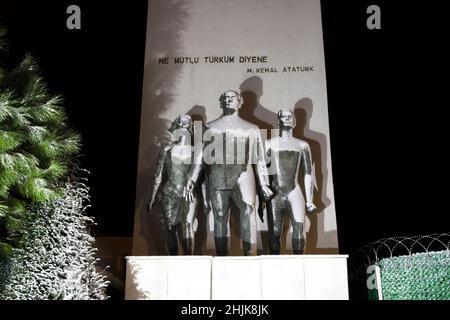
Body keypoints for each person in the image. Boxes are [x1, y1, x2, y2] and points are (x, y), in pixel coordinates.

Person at [184, 90, 273, 256]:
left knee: (249, 209)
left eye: (233, 97)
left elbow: (259, 159)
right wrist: (192, 179)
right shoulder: (209, 127)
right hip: (218, 175)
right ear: (221, 103)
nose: (229, 100)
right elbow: (199, 157)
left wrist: (264, 184)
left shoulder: (251, 128)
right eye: (225, 98)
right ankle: (222, 258)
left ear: (240, 102)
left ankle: (250, 255)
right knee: (219, 215)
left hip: (244, 175)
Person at [147, 115, 207, 255]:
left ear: (191, 127)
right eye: (181, 123)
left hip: (189, 193)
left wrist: (205, 199)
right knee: (170, 227)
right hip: (169, 192)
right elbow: (157, 176)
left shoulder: (196, 152)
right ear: (176, 127)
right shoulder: (166, 150)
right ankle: (172, 262)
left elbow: (202, 178)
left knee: (187, 225)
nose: (184, 125)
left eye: (187, 123)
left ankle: (188, 261)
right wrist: (152, 198)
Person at [264, 110, 316, 254]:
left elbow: (307, 173)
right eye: (283, 117)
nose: (287, 119)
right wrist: (262, 192)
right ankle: (275, 264)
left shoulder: (302, 145)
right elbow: (262, 170)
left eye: (289, 117)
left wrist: (310, 200)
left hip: (294, 190)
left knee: (299, 227)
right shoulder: (269, 144)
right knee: (274, 232)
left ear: (294, 121)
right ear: (278, 120)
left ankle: (299, 263)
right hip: (275, 193)